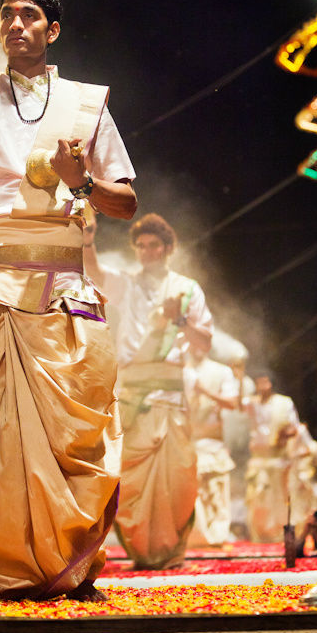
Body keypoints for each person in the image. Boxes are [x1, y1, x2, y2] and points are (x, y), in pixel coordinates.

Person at [0, 0, 136, 601]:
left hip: (63, 283)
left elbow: (126, 202)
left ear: (52, 30)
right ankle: (2, 564)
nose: (15, 25)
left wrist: (82, 182)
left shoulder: (86, 104)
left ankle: (70, 562)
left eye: (28, 16)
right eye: (6, 16)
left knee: (71, 431)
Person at [83, 213, 213, 568]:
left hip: (171, 395)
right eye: (140, 246)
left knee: (179, 477)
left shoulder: (187, 290)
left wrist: (180, 321)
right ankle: (141, 550)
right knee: (133, 478)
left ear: (168, 248)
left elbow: (204, 343)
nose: (146, 252)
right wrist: (89, 239)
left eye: (154, 245)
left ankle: (170, 551)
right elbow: (93, 274)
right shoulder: (126, 284)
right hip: (134, 394)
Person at [182, 352, 239, 546]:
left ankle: (217, 536)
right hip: (187, 442)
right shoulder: (179, 369)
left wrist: (204, 391)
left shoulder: (220, 372)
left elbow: (232, 403)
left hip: (213, 445)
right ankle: (196, 537)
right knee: (192, 495)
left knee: (216, 493)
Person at [244, 370, 300, 542]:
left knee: (278, 497)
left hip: (278, 458)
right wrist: (239, 378)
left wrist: (281, 437)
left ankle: (279, 532)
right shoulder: (251, 403)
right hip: (258, 459)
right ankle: (260, 534)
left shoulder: (284, 403)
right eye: (258, 383)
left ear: (271, 384)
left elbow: (294, 427)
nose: (262, 386)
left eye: (265, 382)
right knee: (258, 496)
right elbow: (237, 407)